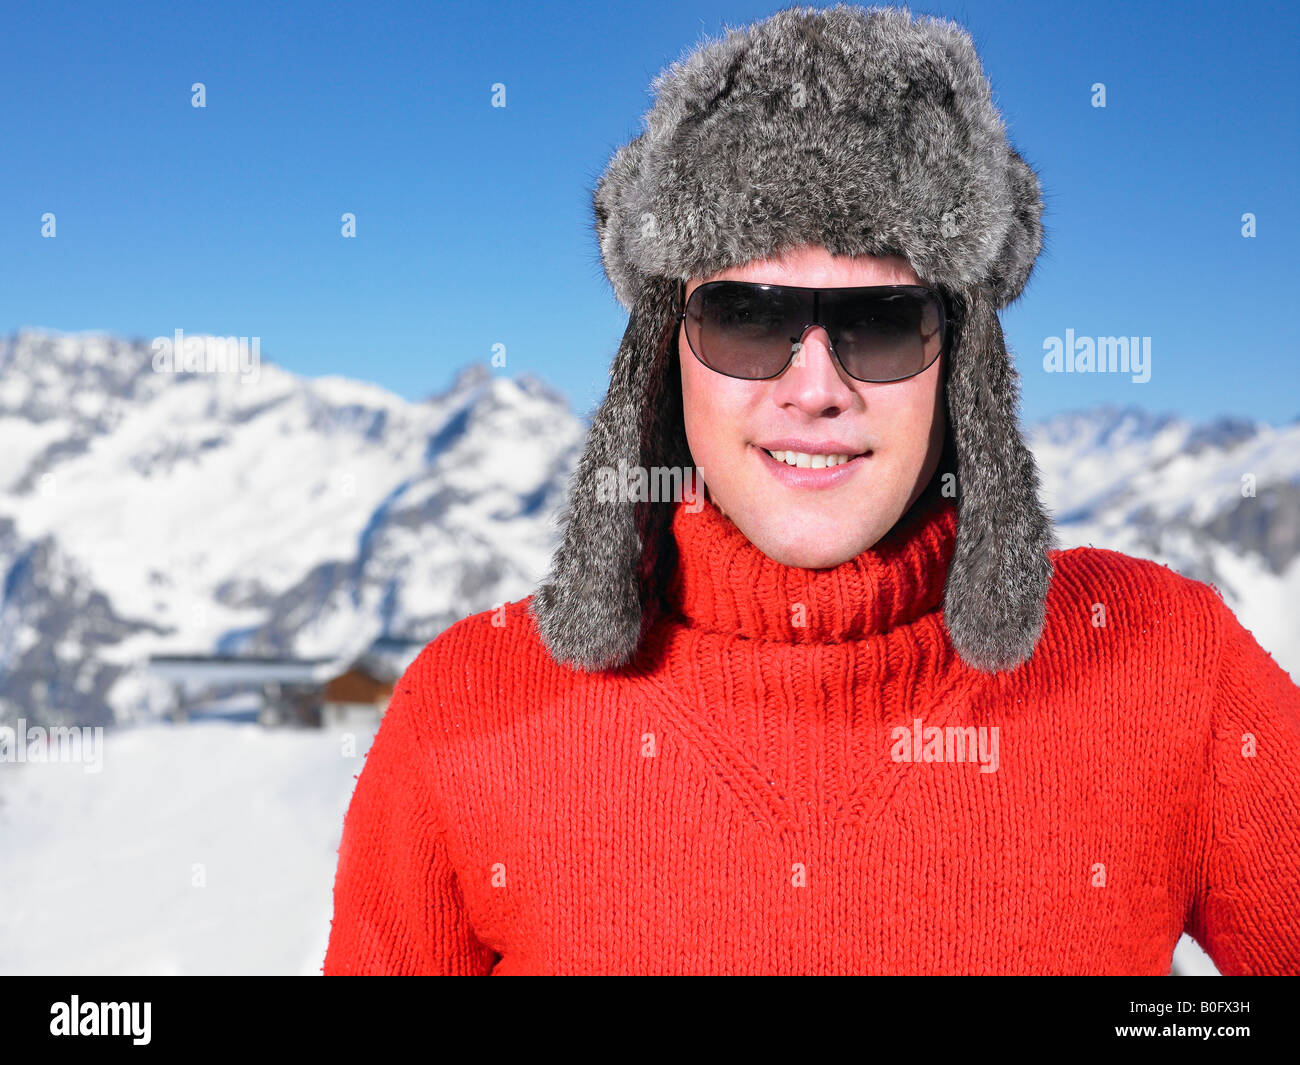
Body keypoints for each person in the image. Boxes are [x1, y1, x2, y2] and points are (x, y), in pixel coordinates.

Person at [323, 4, 1300, 975]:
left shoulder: (1171, 668)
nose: (815, 387)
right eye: (747, 318)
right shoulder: (465, 712)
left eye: (880, 322)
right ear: (663, 354)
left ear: (961, 362)